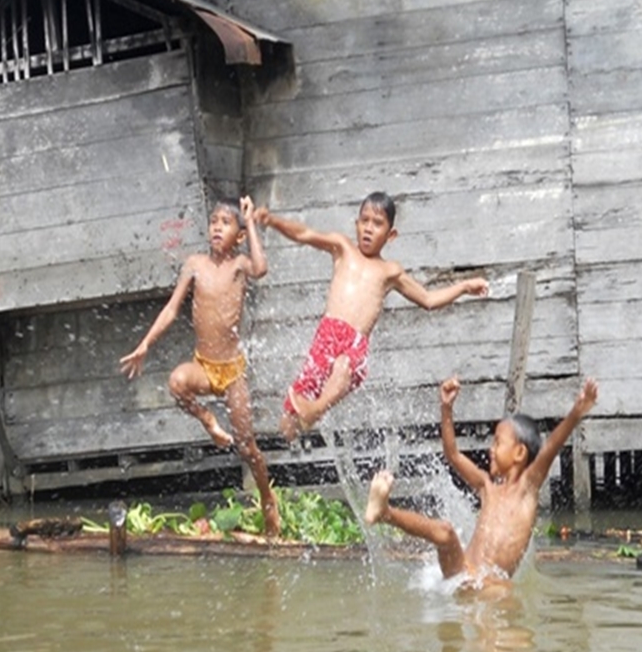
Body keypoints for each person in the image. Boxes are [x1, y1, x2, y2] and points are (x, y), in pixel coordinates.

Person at [256, 192, 489, 441]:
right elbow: (304, 234)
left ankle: (317, 409)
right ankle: (302, 422)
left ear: (391, 235)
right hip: (326, 337)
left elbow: (428, 300)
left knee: (343, 366)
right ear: (356, 224)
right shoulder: (342, 248)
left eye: (377, 224)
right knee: (288, 425)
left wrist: (463, 287)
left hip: (354, 344)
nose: (368, 229)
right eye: (364, 221)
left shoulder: (390, 271)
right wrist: (272, 221)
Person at [120, 197, 280, 536]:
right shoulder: (195, 264)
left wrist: (250, 222)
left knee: (247, 447)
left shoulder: (239, 263)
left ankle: (268, 499)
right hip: (205, 367)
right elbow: (171, 309)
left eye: (225, 222)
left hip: (233, 371)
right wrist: (145, 344)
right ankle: (208, 420)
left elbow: (261, 268)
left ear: (238, 235)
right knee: (177, 381)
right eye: (213, 222)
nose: (217, 227)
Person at [365, 375, 600, 588]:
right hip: (463, 573)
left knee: (502, 590)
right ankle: (384, 512)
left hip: (488, 584)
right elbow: (453, 454)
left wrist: (576, 413)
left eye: (498, 443)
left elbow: (549, 448)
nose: (491, 449)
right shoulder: (487, 487)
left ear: (519, 453)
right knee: (445, 532)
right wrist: (446, 408)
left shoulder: (527, 489)